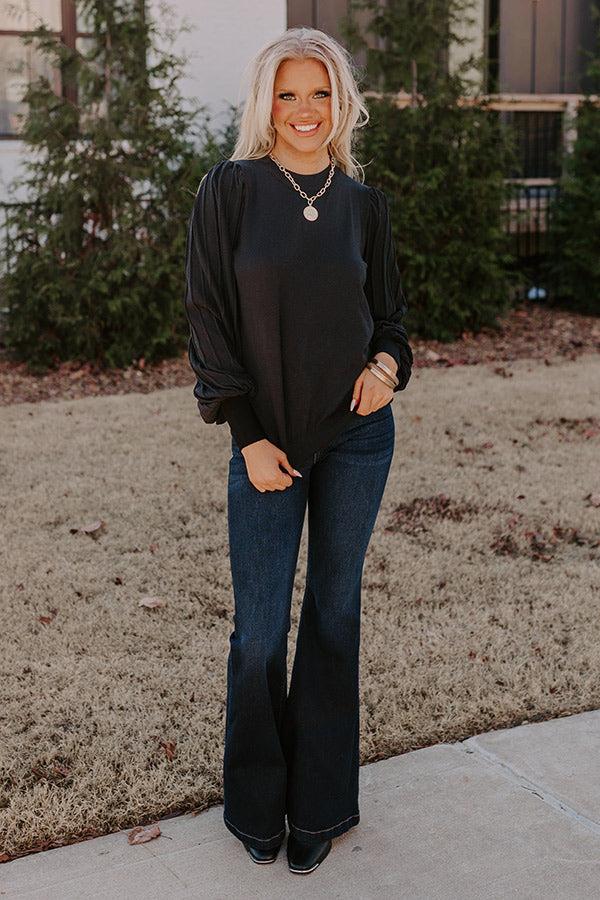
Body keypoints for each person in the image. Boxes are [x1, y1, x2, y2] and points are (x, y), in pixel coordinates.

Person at [183, 26, 413, 875]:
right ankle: (256, 803)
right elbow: (208, 320)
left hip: (357, 438)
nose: (305, 110)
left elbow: (392, 323)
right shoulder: (230, 190)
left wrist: (386, 369)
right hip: (267, 445)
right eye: (288, 94)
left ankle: (321, 804)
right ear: (265, 103)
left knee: (333, 616)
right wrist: (248, 437)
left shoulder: (364, 206)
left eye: (320, 93)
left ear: (340, 103)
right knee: (257, 632)